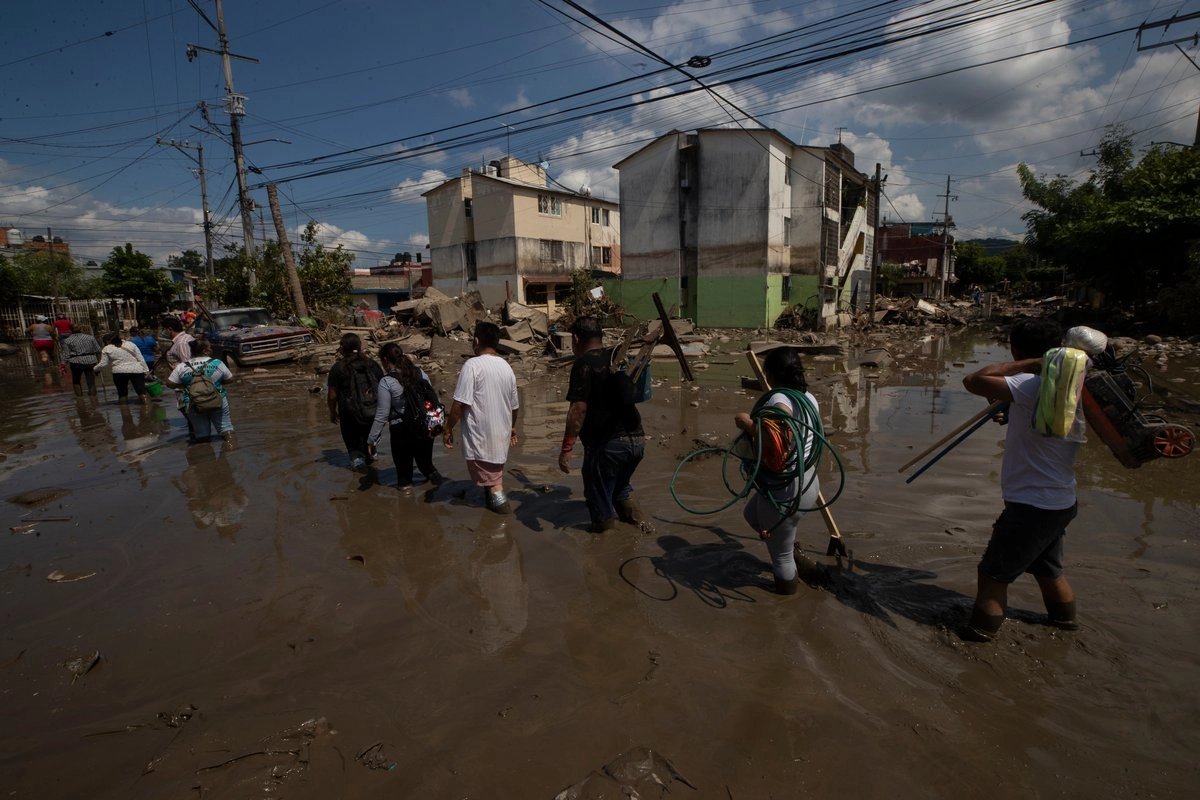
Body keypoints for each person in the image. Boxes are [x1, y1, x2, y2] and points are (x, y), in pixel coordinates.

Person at [960, 318, 1080, 641]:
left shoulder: (1030, 384)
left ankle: (976, 642)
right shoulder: (1072, 387)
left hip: (1031, 506)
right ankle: (1066, 627)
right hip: (1061, 501)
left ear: (1018, 350)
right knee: (1048, 571)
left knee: (992, 575)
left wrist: (1028, 365)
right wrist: (1013, 414)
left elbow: (973, 379)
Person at [733, 347, 822, 595]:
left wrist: (747, 424)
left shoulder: (778, 400)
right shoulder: (809, 397)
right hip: (808, 481)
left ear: (771, 374)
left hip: (787, 488)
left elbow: (779, 436)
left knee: (780, 559)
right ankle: (785, 543)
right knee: (752, 515)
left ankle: (786, 607)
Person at [557, 316, 646, 532]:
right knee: (619, 492)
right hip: (637, 441)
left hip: (608, 446)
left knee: (599, 504)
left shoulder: (583, 364)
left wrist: (566, 448)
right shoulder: (616, 358)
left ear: (576, 338)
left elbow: (578, 409)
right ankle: (640, 527)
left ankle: (603, 554)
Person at [442, 321, 519, 514]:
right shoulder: (506, 367)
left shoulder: (472, 365)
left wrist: (448, 428)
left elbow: (459, 403)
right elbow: (514, 407)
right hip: (499, 437)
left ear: (476, 341)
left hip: (481, 438)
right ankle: (494, 513)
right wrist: (512, 428)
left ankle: (501, 524)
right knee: (492, 477)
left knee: (494, 484)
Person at [367, 342, 445, 488]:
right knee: (427, 467)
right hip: (424, 426)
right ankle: (442, 490)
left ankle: (407, 503)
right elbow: (432, 398)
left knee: (404, 476)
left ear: (384, 360)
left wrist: (372, 440)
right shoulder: (420, 372)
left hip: (401, 430)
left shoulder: (386, 381)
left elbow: (382, 415)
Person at [326, 332, 384, 472]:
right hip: (372, 410)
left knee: (353, 444)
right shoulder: (372, 364)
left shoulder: (338, 368)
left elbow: (332, 396)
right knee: (369, 438)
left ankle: (358, 463)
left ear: (342, 348)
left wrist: (332, 412)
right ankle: (372, 456)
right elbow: (383, 387)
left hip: (349, 412)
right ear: (360, 346)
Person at [167, 338, 236, 445]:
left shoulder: (182, 367)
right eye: (209, 348)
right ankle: (230, 449)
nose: (211, 350)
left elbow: (169, 384)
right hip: (218, 400)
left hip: (193, 402)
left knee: (201, 434)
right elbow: (230, 379)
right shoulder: (217, 363)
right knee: (226, 428)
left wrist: (186, 385)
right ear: (205, 351)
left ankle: (205, 457)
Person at [94, 330, 151, 403]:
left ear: (108, 341)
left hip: (119, 372)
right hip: (136, 370)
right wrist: (146, 371)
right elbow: (140, 359)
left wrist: (95, 369)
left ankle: (125, 413)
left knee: (122, 394)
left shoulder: (107, 348)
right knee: (141, 392)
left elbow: (103, 364)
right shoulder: (131, 344)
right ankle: (147, 409)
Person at [60, 323, 102, 397]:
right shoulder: (90, 338)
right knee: (91, 382)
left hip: (76, 362)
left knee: (76, 381)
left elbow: (66, 355)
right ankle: (93, 400)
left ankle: (79, 400)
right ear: (81, 329)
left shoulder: (67, 340)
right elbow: (98, 350)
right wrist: (99, 363)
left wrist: (63, 365)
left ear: (70, 330)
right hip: (91, 361)